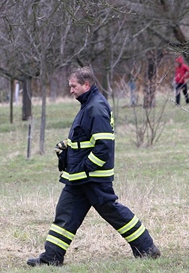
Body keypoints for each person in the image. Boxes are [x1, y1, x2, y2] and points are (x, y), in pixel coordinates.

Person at [27, 67, 160, 267]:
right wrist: (68, 145)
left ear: (86, 85)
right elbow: (86, 138)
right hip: (79, 176)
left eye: (74, 86)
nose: (71, 90)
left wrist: (85, 168)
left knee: (112, 211)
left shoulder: (96, 107)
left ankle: (147, 248)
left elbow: (103, 147)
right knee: (65, 213)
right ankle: (51, 258)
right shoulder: (88, 105)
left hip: (92, 177)